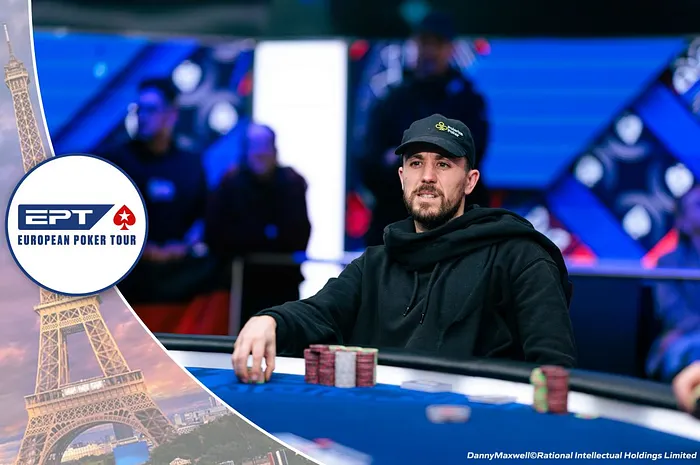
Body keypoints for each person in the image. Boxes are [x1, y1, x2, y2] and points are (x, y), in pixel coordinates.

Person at [232, 114, 577, 383]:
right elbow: (319, 312)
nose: (427, 176)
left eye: (443, 164)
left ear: (470, 181)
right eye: (416, 163)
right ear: (401, 177)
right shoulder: (375, 263)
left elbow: (554, 368)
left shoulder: (519, 255)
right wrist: (270, 320)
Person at [359, 11, 491, 247]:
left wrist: (406, 156)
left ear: (450, 49)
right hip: (397, 221)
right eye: (423, 43)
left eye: (436, 44)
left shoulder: (467, 102)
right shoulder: (392, 100)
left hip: (455, 228)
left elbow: (471, 156)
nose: (429, 51)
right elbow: (370, 162)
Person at [99, 77, 210, 305]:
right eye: (138, 110)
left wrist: (184, 247)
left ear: (171, 115)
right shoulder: (113, 160)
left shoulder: (190, 163)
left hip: (177, 268)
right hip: (125, 269)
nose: (142, 117)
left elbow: (203, 217)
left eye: (150, 110)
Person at [205, 123, 311, 326]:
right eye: (254, 146)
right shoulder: (230, 185)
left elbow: (298, 236)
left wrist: (250, 238)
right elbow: (216, 235)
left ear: (275, 150)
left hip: (284, 281)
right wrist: (265, 236)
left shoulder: (292, 183)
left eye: (265, 146)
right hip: (241, 284)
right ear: (245, 151)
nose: (260, 153)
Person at [647, 184, 700, 382]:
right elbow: (675, 314)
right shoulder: (668, 263)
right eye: (699, 204)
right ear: (683, 220)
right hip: (686, 338)